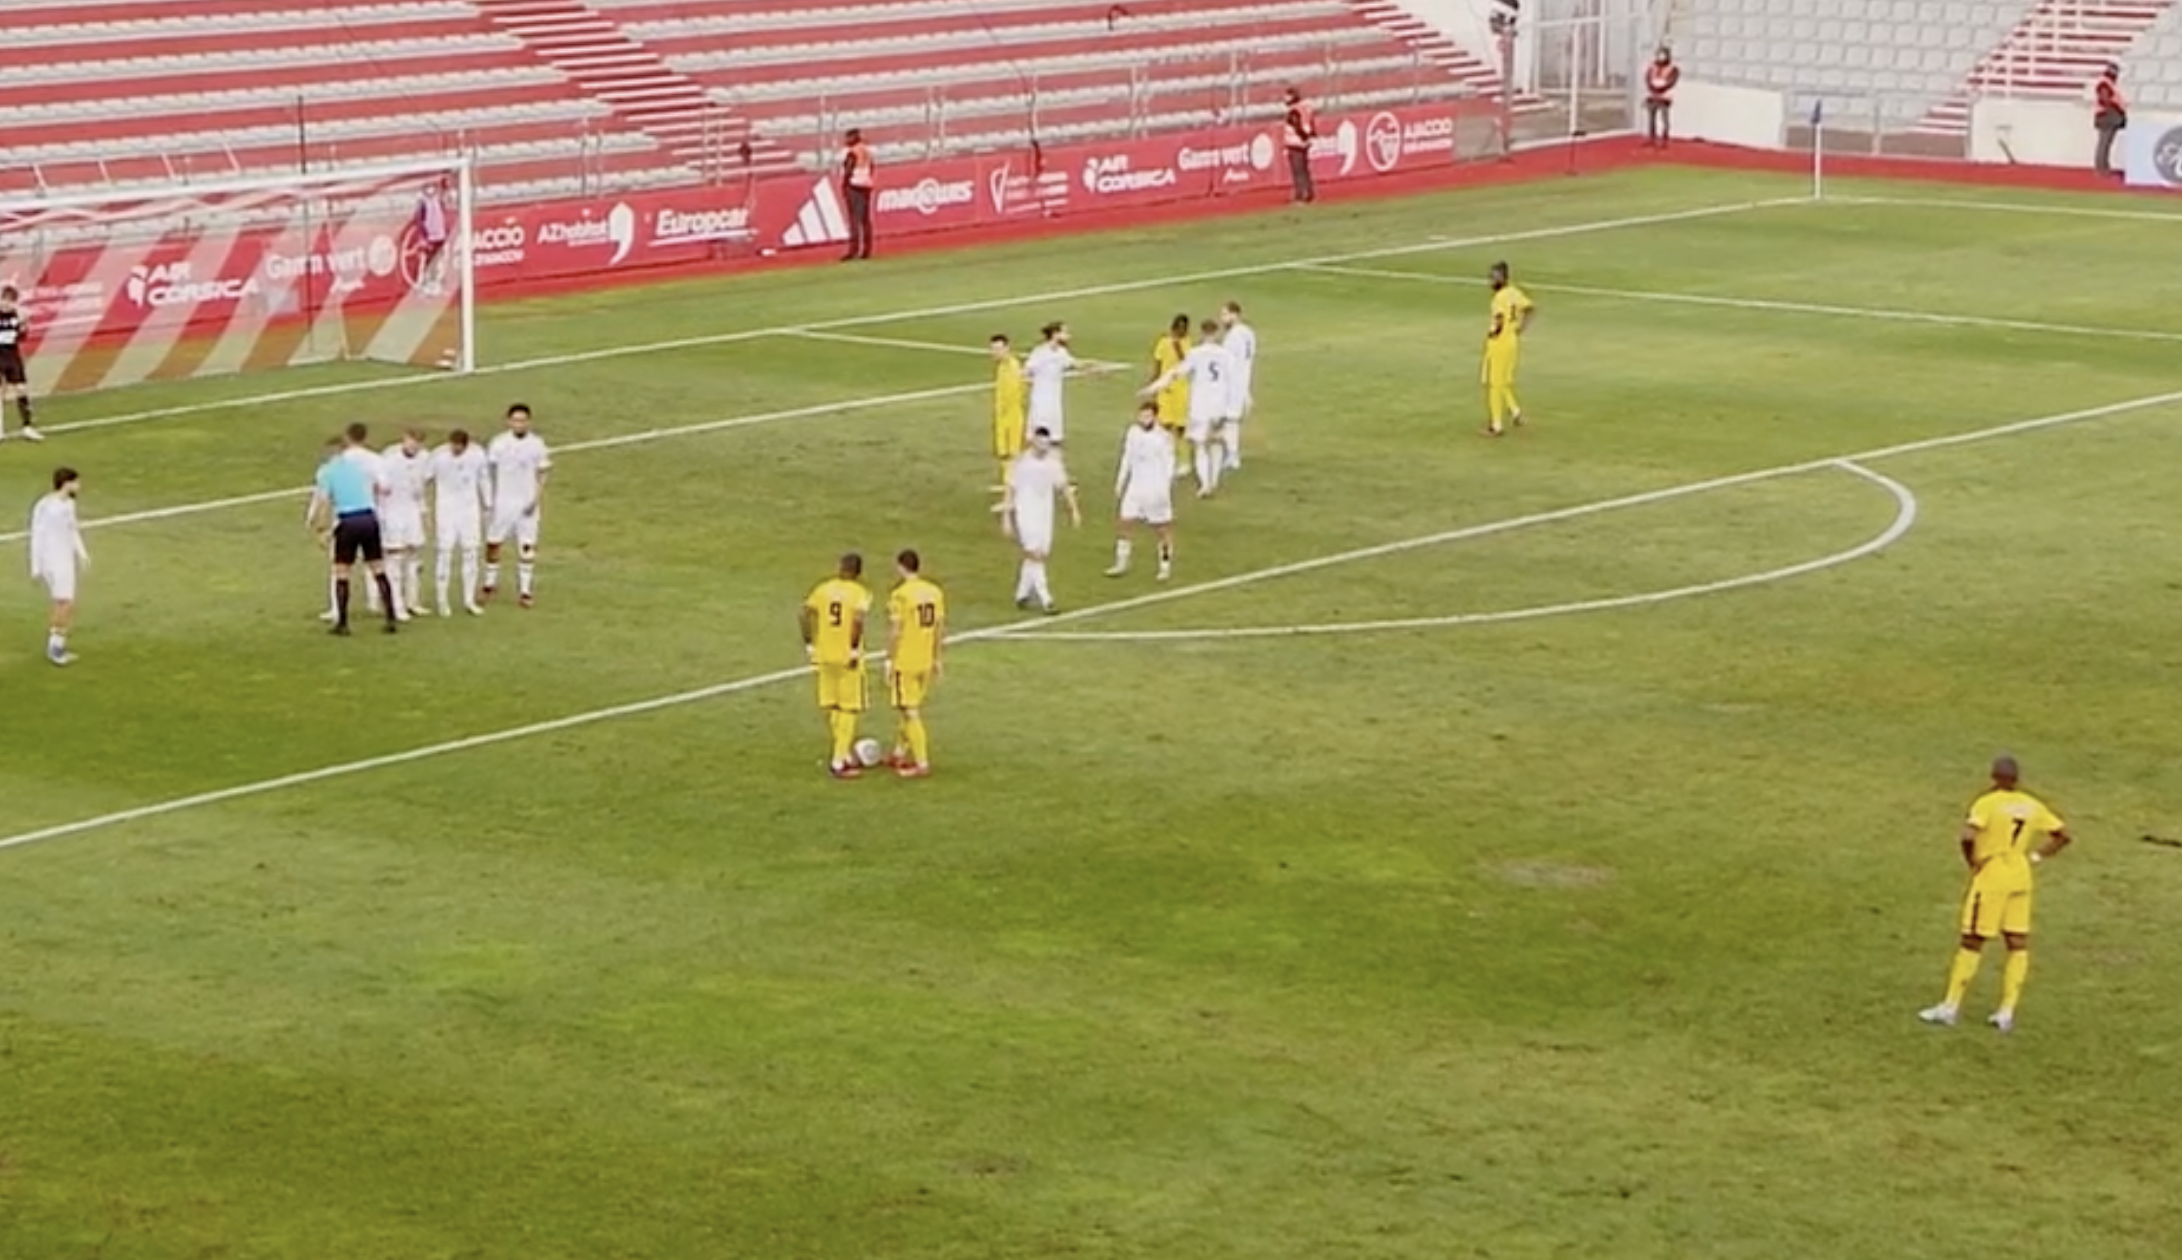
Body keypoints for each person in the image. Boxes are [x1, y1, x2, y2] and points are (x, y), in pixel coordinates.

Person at [1920, 756, 2074, 1033]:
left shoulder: (1987, 803)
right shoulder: (2031, 804)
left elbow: (1967, 836)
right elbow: (2062, 834)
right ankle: (2006, 1011)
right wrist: (2037, 856)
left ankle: (1950, 1006)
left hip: (1993, 875)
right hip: (2020, 873)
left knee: (1973, 939)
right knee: (2017, 941)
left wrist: (1973, 862)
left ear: (1994, 776)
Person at [311, 428, 401, 636]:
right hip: (369, 519)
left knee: (342, 571)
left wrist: (321, 529)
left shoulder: (326, 471)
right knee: (378, 568)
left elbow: (324, 502)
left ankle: (342, 622)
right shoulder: (359, 468)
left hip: (348, 521)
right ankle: (391, 617)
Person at [1140, 319, 1236, 497]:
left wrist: (1152, 388)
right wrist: (1232, 407)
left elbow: (1174, 373)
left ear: (1202, 333)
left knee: (1200, 446)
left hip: (1200, 406)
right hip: (1220, 406)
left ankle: (1205, 483)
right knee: (1215, 443)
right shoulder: (1226, 355)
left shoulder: (1196, 354)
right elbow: (1234, 382)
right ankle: (1213, 480)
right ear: (1216, 334)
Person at [801, 552, 873, 779]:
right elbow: (858, 621)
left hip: (824, 655)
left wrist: (810, 644)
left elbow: (803, 613)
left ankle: (843, 753)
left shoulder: (823, 589)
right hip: (846, 658)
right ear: (859, 573)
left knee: (833, 706)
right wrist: (853, 649)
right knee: (849, 708)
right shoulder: (860, 593)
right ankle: (839, 761)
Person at [1002, 427, 1080, 613]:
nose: (1042, 446)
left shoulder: (1053, 463)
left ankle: (1021, 594)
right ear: (1033, 441)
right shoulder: (1022, 463)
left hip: (1045, 514)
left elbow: (1064, 487)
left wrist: (1074, 510)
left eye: (1045, 442)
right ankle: (1047, 599)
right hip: (1026, 513)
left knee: (1039, 554)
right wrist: (1007, 516)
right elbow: (1010, 489)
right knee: (1035, 554)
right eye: (1039, 442)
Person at [884, 548, 946, 779]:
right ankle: (899, 752)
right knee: (909, 708)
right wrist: (937, 658)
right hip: (925, 660)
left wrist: (890, 659)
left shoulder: (900, 595)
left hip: (906, 660)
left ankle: (921, 763)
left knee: (909, 711)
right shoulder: (934, 592)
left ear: (901, 567)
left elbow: (896, 630)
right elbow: (940, 627)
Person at [484, 403, 551, 608]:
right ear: (509, 421)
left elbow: (543, 472)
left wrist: (536, 499)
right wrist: (490, 499)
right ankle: (489, 583)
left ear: (528, 422)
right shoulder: (499, 443)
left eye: (523, 420)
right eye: (515, 420)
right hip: (503, 503)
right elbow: (489, 472)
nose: (519, 424)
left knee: (527, 546)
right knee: (493, 543)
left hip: (527, 505)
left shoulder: (537, 444)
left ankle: (525, 590)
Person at [1107, 403, 1176, 582]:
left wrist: (1165, 489)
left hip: (1155, 488)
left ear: (1155, 417)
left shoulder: (1163, 438)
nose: (1143, 419)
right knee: (1125, 522)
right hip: (1135, 487)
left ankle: (1165, 566)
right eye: (1141, 415)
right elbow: (1127, 457)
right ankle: (1121, 562)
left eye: (1147, 416)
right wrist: (1120, 482)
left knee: (1161, 528)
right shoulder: (1133, 433)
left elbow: (1169, 464)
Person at [429, 427, 492, 616]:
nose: (454, 450)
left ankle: (469, 600)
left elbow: (484, 478)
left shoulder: (478, 454)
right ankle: (442, 600)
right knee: (445, 553)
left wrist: (488, 502)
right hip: (446, 511)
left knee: (471, 552)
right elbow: (425, 477)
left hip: (469, 511)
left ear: (465, 445)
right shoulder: (438, 456)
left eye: (458, 447)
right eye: (452, 446)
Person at [28, 466, 86, 665]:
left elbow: (73, 530)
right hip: (52, 560)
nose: (79, 486)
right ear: (66, 483)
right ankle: (55, 647)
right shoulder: (45, 506)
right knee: (65, 602)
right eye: (76, 482)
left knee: (62, 602)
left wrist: (82, 553)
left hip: (65, 558)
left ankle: (56, 644)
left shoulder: (69, 504)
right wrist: (36, 566)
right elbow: (37, 535)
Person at [380, 426, 431, 618]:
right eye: (412, 441)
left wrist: (424, 513)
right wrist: (382, 516)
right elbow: (380, 488)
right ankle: (396, 605)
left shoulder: (425, 458)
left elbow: (420, 490)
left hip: (412, 513)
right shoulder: (389, 458)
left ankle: (413, 602)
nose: (414, 446)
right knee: (395, 559)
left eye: (418, 443)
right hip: (392, 513)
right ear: (405, 439)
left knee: (414, 558)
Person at [1481, 260, 1534, 437]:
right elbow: (1529, 308)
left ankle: (1496, 425)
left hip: (1500, 343)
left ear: (1502, 278)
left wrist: (1493, 333)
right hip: (1512, 341)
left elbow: (1498, 320)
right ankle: (1516, 413)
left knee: (1495, 384)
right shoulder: (1514, 293)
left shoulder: (1499, 298)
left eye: (1493, 277)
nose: (1490, 281)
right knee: (1504, 380)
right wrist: (1521, 327)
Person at [0, 285, 44, 442]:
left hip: (12, 356)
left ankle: (27, 427)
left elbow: (21, 337)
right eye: (4, 300)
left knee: (21, 389)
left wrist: (24, 325)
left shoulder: (17, 316)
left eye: (10, 301)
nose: (6, 304)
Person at [1023, 321, 1079, 444]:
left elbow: (1073, 363)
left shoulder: (1061, 352)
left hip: (1054, 398)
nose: (1068, 336)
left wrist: (1094, 369)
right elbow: (1027, 370)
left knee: (1054, 437)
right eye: (1065, 332)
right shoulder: (1040, 352)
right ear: (1055, 334)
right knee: (1039, 432)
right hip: (1040, 398)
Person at [1218, 300, 1257, 473]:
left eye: (1225, 314)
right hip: (1243, 383)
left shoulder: (1234, 337)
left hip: (1233, 385)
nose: (1222, 319)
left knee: (1229, 422)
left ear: (1235, 315)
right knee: (1229, 422)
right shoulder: (1248, 333)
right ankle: (1228, 454)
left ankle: (1232, 457)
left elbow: (1230, 363)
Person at [1149, 313, 1192, 469]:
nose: (1182, 331)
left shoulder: (1187, 343)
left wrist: (1177, 346)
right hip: (1165, 390)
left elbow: (1186, 363)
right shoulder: (1163, 342)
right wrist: (1154, 385)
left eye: (1184, 328)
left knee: (1181, 427)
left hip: (1182, 390)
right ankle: (1166, 458)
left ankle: (1184, 460)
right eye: (1179, 328)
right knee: (1164, 425)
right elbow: (1157, 365)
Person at [989, 333, 1027, 505]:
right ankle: (1009, 486)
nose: (994, 352)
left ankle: (1012, 496)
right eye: (992, 349)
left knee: (1011, 456)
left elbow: (1013, 397)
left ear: (1007, 348)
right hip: (1003, 417)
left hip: (1011, 419)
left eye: (998, 349)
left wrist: (1004, 420)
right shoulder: (1002, 367)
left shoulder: (1012, 368)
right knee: (1005, 456)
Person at [841, 127, 876, 261]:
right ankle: (867, 250)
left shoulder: (853, 152)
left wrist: (845, 185)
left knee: (854, 219)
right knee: (865, 219)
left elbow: (848, 169)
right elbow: (872, 166)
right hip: (866, 184)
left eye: (848, 137)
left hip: (854, 185)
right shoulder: (867, 151)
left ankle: (853, 250)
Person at [1282, 87, 1317, 204]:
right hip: (1302, 144)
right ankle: (1309, 194)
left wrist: (1304, 138)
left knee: (1298, 172)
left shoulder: (1294, 111)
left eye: (1287, 96)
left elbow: (1298, 126)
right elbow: (1310, 124)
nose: (1284, 98)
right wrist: (1310, 137)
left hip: (1296, 144)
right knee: (1305, 170)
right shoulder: (1305, 108)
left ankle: (1300, 196)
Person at [2093, 63, 2127, 178]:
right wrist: (2115, 110)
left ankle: (2103, 167)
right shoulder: (2105, 83)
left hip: (2107, 115)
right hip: (2107, 116)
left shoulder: (2108, 83)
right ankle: (2101, 169)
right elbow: (2105, 98)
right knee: (2104, 143)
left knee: (2106, 143)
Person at [1645, 47, 1679, 149]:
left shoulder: (1672, 68)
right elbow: (1647, 78)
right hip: (1653, 95)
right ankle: (1652, 139)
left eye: (1663, 54)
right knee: (1651, 118)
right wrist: (1652, 87)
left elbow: (1672, 81)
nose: (1661, 57)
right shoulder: (1652, 67)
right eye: (1659, 54)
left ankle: (1665, 140)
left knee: (1664, 119)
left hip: (1665, 97)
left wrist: (1662, 87)